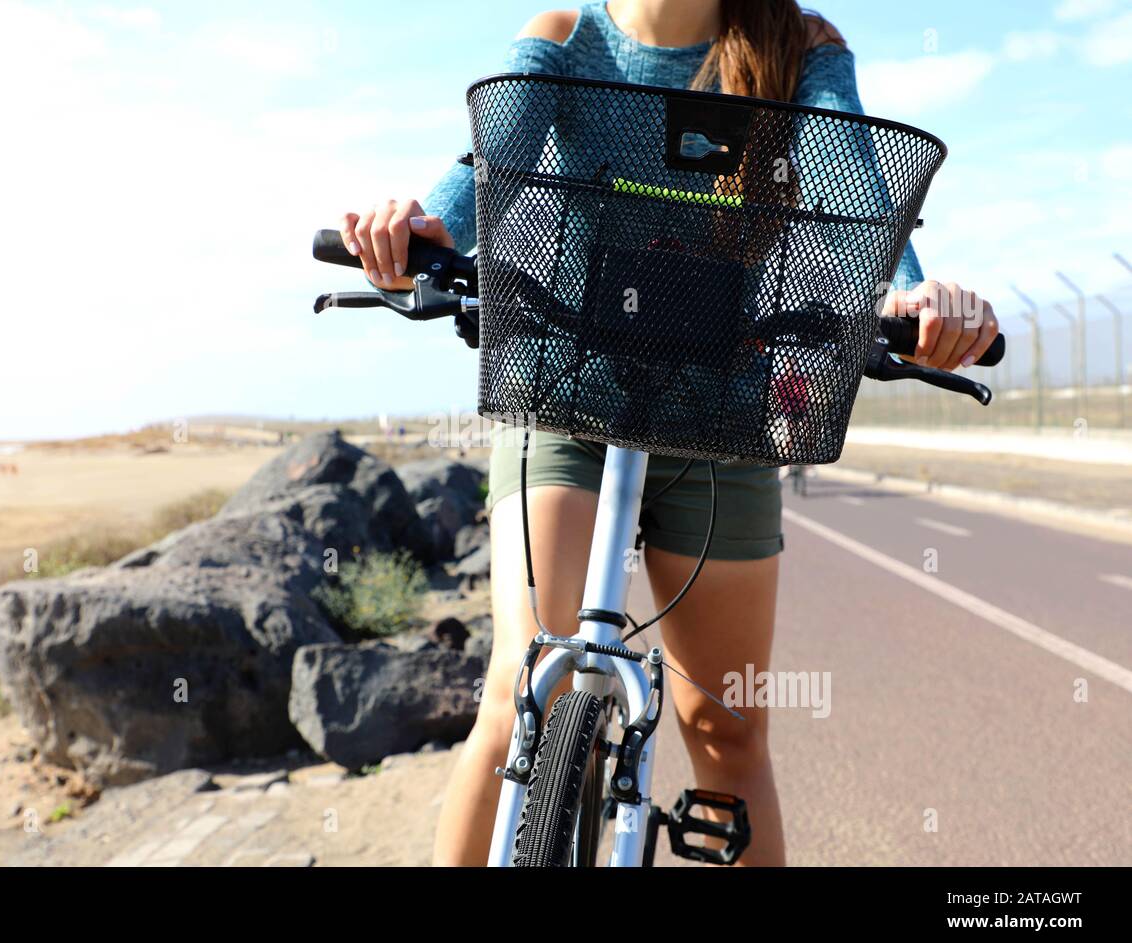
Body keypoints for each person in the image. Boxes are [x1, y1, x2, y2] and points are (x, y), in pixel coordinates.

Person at [337, 0, 1000, 867]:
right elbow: (485, 172)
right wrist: (421, 229)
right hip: (563, 396)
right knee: (520, 688)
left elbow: (859, 194)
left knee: (723, 731)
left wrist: (908, 293)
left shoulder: (795, 46)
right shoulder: (566, 36)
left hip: (720, 414)